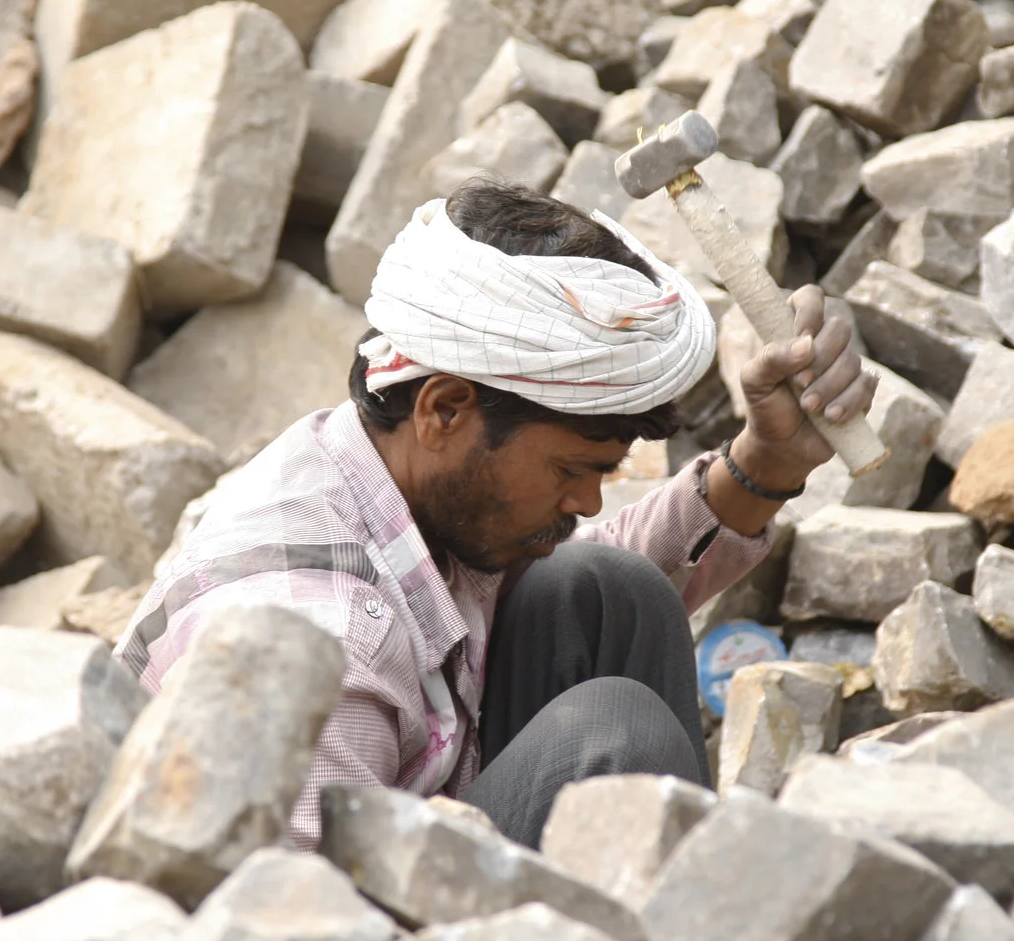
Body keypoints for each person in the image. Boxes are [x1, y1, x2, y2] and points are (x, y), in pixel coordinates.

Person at [114, 180, 874, 848]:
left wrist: (767, 465)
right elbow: (286, 938)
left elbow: (594, 568)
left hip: (401, 831)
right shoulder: (322, 650)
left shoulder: (390, 471)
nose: (587, 501)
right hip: (316, 932)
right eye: (571, 471)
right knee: (613, 739)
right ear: (445, 408)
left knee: (607, 593)